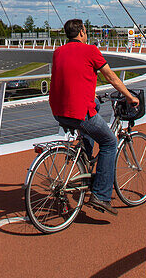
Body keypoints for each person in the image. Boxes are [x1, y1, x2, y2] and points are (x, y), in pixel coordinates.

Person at [48, 18, 140, 216]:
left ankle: (85, 158)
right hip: (78, 112)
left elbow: (72, 76)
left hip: (58, 111)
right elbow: (111, 77)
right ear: (81, 32)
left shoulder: (58, 52)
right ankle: (101, 195)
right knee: (109, 143)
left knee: (95, 105)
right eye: (85, 30)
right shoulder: (91, 51)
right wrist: (129, 97)